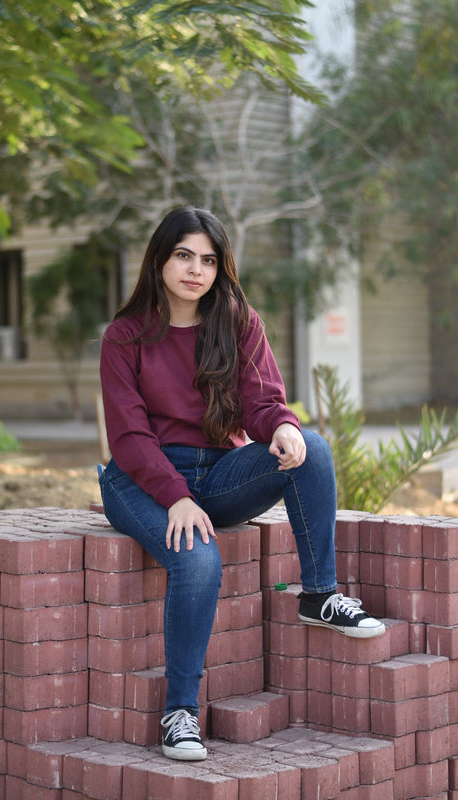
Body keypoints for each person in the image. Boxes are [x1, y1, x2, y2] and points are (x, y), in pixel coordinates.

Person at [98, 206, 385, 762]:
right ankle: (180, 711)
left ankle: (319, 594)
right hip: (140, 479)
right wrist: (175, 496)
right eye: (183, 255)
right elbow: (129, 437)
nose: (194, 270)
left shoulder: (235, 322)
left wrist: (281, 426)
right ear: (159, 259)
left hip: (219, 471)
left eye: (207, 260)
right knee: (199, 559)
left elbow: (261, 401)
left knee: (313, 447)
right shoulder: (125, 336)